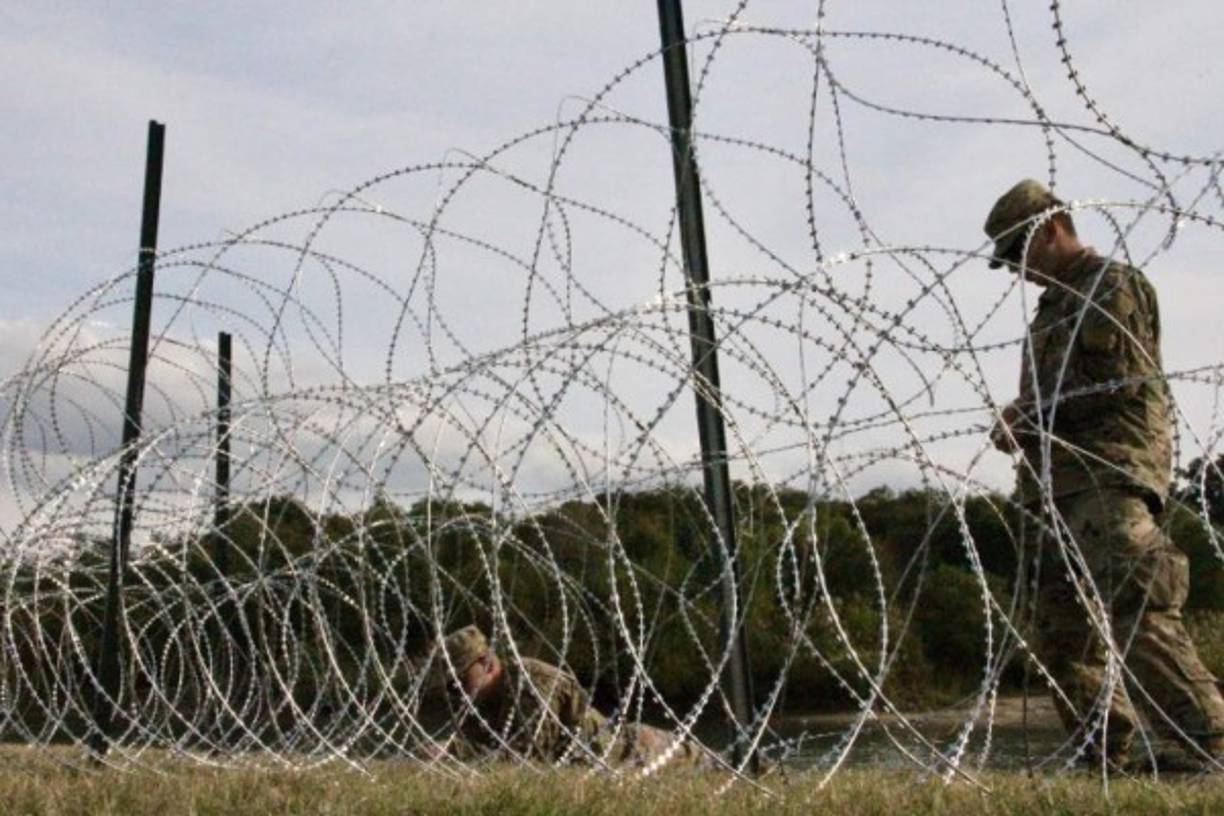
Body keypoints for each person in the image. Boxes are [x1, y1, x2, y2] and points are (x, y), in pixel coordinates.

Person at [984, 178, 1224, 769]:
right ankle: (1102, 755)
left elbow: (1117, 382)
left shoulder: (1109, 287)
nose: (1018, 271)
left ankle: (1210, 740)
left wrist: (1030, 413)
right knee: (1063, 630)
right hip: (1056, 485)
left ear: (1051, 230)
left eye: (1020, 253)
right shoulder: (1052, 308)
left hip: (1109, 471)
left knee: (1136, 605)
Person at [434, 625, 713, 768]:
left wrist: (452, 751)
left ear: (486, 663)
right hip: (591, 758)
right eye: (451, 684)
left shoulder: (531, 681)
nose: (456, 689)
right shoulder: (479, 702)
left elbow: (526, 754)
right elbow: (483, 753)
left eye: (461, 677)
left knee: (711, 762)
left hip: (628, 751)